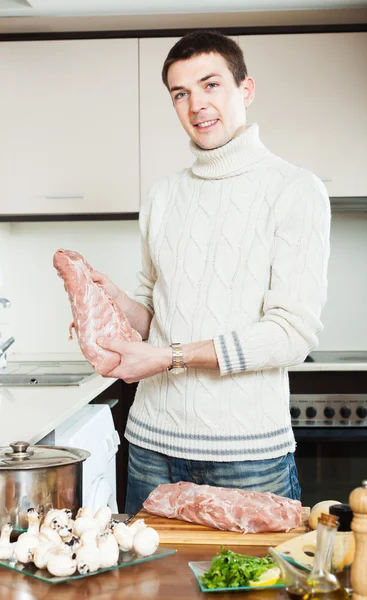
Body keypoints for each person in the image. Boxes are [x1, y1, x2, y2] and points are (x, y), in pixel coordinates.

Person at [94, 30, 331, 514]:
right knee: (149, 588)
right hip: (150, 447)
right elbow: (157, 318)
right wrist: (114, 300)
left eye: (211, 85)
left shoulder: (295, 189)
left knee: (255, 591)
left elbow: (292, 333)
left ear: (245, 90)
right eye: (180, 93)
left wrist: (169, 358)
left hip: (246, 453)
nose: (196, 104)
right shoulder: (162, 196)